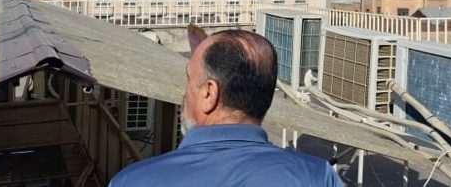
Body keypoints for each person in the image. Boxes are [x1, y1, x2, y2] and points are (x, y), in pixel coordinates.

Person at [110, 26, 344, 187]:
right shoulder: (319, 177)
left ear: (209, 93)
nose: (184, 93)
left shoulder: (134, 181)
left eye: (189, 79)